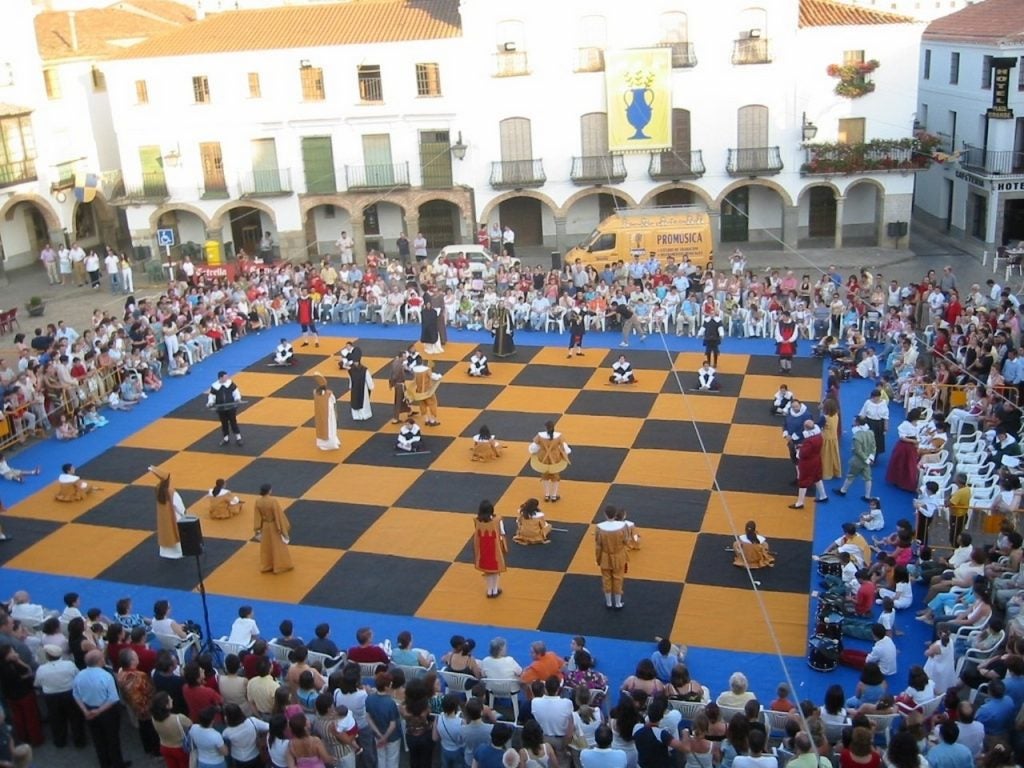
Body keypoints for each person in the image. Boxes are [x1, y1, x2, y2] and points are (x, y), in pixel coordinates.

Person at [74, 649, 130, 768]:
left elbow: (76, 694)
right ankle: (117, 763)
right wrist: (98, 711)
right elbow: (114, 698)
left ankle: (104, 763)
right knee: (113, 738)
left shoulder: (79, 675)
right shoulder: (106, 675)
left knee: (98, 739)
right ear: (100, 661)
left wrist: (85, 711)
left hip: (89, 710)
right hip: (107, 711)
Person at [596, 505, 630, 610]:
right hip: (619, 556)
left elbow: (598, 546)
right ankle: (618, 603)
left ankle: (608, 602)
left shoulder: (599, 527)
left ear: (605, 514)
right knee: (618, 579)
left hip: (605, 557)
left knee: (606, 579)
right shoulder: (623, 526)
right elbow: (626, 541)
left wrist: (598, 559)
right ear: (615, 515)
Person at [254, 484, 293, 574]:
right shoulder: (273, 501)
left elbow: (257, 516)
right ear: (269, 491)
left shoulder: (258, 501)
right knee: (278, 546)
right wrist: (281, 528)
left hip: (265, 526)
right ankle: (280, 566)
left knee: (266, 546)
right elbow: (278, 514)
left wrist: (257, 528)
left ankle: (267, 565)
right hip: (273, 525)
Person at [530, 420, 572, 502]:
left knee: (545, 474)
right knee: (555, 475)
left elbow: (533, 448)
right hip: (555, 457)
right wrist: (566, 452)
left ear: (545, 428)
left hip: (543, 457)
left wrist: (534, 452)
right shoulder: (559, 436)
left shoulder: (539, 436)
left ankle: (546, 495)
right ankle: (554, 495)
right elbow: (565, 448)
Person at [836, 416, 876, 500]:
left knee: (851, 475)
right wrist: (871, 458)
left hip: (858, 460)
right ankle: (867, 496)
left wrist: (866, 459)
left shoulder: (856, 436)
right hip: (867, 460)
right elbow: (874, 447)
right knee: (868, 477)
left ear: (857, 423)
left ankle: (843, 490)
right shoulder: (870, 432)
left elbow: (858, 451)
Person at [790, 421, 829, 509]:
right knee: (817, 477)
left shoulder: (808, 441)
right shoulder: (819, 436)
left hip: (808, 463)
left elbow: (803, 454)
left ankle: (800, 503)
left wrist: (799, 449)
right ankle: (823, 496)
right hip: (817, 459)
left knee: (803, 481)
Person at [149, 466, 185, 559]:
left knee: (165, 532)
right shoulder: (171, 492)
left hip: (163, 517)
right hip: (173, 515)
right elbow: (178, 505)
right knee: (175, 532)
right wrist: (183, 513)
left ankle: (165, 552)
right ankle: (178, 552)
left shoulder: (158, 489)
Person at [473, 500, 506, 598]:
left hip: (482, 548)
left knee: (487, 570)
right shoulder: (497, 520)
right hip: (495, 548)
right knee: (496, 569)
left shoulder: (477, 521)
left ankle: (489, 590)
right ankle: (495, 590)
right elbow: (502, 532)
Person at [207, 370, 243, 446]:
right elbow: (212, 396)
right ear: (220, 378)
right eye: (225, 377)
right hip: (221, 409)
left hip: (231, 407)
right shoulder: (215, 386)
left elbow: (236, 392)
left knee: (233, 422)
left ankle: (238, 438)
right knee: (224, 423)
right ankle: (226, 438)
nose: (227, 378)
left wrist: (237, 398)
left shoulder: (230, 383)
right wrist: (210, 402)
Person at [313, 373, 341, 450]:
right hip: (329, 414)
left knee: (322, 427)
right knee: (330, 428)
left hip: (320, 414)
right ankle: (331, 443)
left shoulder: (315, 393)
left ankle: (322, 443)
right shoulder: (329, 393)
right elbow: (334, 402)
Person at [858, 389, 889, 455]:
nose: (874, 399)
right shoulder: (868, 402)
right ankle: (867, 453)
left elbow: (886, 416)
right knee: (869, 440)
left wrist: (886, 426)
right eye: (873, 397)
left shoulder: (883, 403)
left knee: (878, 440)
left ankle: (875, 454)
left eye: (875, 397)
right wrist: (859, 424)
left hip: (879, 424)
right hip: (870, 423)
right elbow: (862, 413)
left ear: (879, 397)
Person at [387, 352, 411, 425]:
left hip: (399, 384)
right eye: (404, 357)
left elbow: (392, 374)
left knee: (407, 397)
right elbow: (394, 376)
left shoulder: (396, 362)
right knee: (398, 401)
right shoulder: (398, 365)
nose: (405, 358)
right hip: (399, 385)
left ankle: (409, 410)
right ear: (401, 357)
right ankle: (395, 418)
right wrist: (393, 383)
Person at [775, 310, 799, 375]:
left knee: (789, 356)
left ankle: (789, 368)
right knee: (782, 356)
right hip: (782, 342)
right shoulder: (779, 323)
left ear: (788, 317)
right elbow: (777, 332)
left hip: (790, 343)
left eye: (784, 316)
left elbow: (795, 334)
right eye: (782, 316)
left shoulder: (794, 324)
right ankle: (783, 368)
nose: (782, 318)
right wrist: (781, 340)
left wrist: (789, 340)